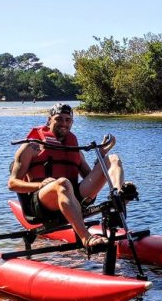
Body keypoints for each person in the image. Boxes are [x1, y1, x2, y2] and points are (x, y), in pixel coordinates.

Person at [8, 103, 136, 250]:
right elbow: (12, 184)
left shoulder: (75, 149)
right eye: (59, 119)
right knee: (63, 183)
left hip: (74, 198)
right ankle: (86, 238)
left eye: (68, 120)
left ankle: (118, 197)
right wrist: (40, 185)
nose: (64, 123)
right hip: (43, 204)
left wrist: (101, 154)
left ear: (72, 122)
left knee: (113, 159)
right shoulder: (31, 147)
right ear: (49, 120)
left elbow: (90, 177)